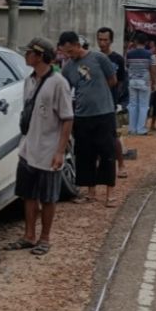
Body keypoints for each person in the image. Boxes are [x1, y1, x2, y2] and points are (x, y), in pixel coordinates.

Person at [6, 38, 74, 256]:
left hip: (48, 148)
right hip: (28, 146)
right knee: (28, 194)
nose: (26, 57)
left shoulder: (58, 83)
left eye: (29, 53)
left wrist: (60, 151)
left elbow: (67, 118)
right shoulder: (30, 81)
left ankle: (45, 237)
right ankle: (29, 235)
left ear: (40, 55)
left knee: (48, 196)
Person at [58, 30, 119, 206]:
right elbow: (65, 89)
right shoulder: (68, 67)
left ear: (78, 45)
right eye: (65, 52)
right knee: (85, 154)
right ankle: (91, 192)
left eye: (71, 51)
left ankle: (110, 193)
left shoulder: (99, 58)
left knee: (107, 152)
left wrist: (98, 93)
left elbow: (112, 80)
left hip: (104, 113)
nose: (69, 55)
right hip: (82, 116)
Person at [96, 27, 129, 178]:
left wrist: (120, 101)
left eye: (105, 40)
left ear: (111, 41)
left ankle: (121, 164)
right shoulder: (93, 58)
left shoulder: (118, 59)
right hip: (96, 103)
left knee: (115, 135)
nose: (102, 43)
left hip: (113, 103)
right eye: (100, 39)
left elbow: (121, 81)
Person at [125, 37, 155, 136]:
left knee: (133, 105)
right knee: (143, 106)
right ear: (145, 42)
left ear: (136, 42)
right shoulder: (149, 54)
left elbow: (127, 66)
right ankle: (141, 129)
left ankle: (132, 129)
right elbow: (151, 69)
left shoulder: (129, 54)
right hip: (144, 82)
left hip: (132, 81)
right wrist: (153, 81)